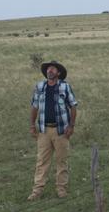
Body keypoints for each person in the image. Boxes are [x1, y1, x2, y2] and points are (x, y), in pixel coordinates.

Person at [29, 60, 79, 200]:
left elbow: (73, 106)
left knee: (61, 160)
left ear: (58, 73)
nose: (49, 71)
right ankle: (37, 190)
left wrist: (71, 126)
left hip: (61, 130)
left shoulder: (65, 87)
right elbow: (34, 107)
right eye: (48, 69)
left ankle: (61, 188)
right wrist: (32, 125)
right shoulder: (40, 87)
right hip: (44, 131)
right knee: (42, 161)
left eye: (53, 69)